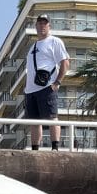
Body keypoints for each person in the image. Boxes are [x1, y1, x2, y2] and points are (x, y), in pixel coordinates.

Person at [25, 15, 69, 151]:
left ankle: (55, 147)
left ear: (49, 26)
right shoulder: (33, 46)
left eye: (45, 23)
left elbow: (65, 62)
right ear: (36, 26)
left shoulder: (54, 41)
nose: (42, 26)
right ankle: (35, 149)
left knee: (51, 117)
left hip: (47, 87)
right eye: (39, 23)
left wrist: (57, 82)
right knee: (34, 122)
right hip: (31, 90)